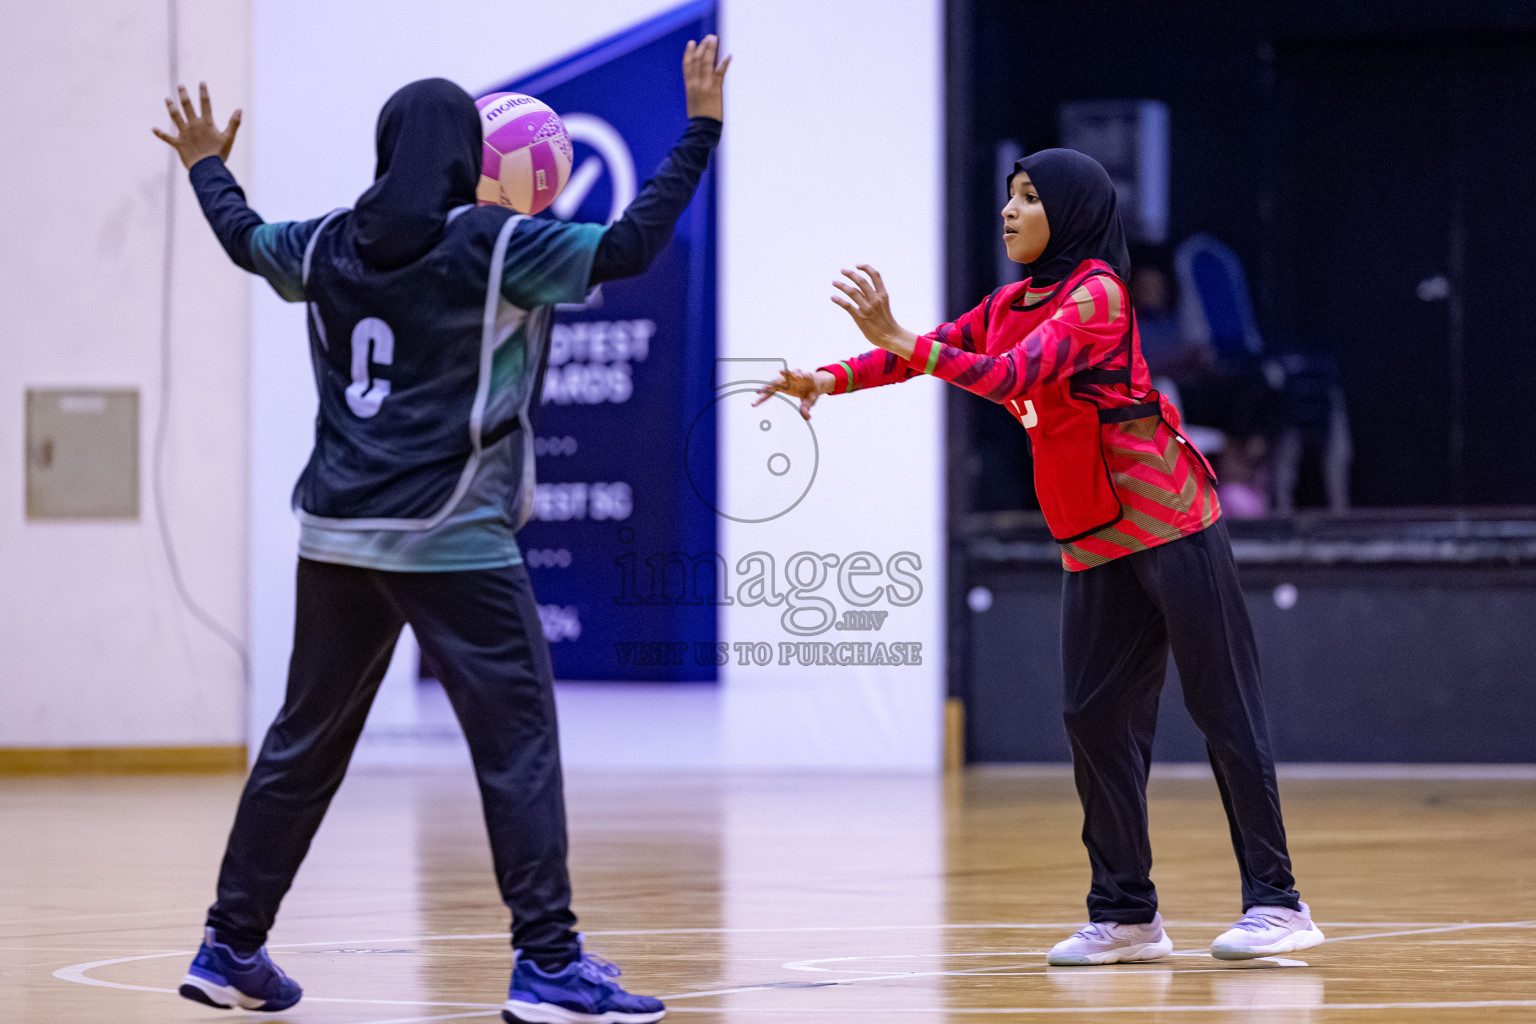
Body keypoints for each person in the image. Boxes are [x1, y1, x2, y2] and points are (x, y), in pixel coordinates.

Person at [152, 36, 729, 1023]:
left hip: (335, 534)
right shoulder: (498, 244)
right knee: (517, 746)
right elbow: (632, 244)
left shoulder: (328, 241)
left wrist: (207, 165)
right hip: (451, 535)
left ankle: (229, 945)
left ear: (386, 149)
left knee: (302, 742)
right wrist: (700, 131)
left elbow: (246, 239)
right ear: (467, 155)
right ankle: (548, 963)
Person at [756, 149, 1325, 966]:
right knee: (1093, 717)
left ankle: (1278, 902)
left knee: (1222, 709)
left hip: (1169, 520)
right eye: (1008, 198)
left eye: (1029, 198)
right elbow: (932, 353)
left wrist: (900, 337)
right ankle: (1128, 915)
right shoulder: (1010, 300)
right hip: (1093, 533)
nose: (1010, 211)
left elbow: (1009, 375)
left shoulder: (1097, 294)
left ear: (1074, 211)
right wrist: (827, 377)